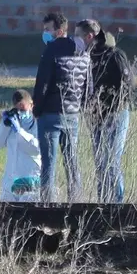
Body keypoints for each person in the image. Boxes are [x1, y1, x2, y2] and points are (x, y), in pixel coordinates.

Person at [33, 12, 91, 203]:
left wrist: (36, 110)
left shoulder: (51, 50)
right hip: (73, 114)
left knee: (48, 164)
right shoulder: (81, 50)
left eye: (47, 30)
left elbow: (42, 84)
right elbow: (86, 83)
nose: (45, 34)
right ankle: (76, 203)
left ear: (59, 31)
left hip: (50, 114)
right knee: (72, 163)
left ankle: (46, 207)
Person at [76, 19, 133, 203]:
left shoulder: (114, 56)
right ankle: (102, 204)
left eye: (78, 36)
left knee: (111, 162)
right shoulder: (88, 58)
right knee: (100, 164)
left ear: (89, 36)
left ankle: (116, 205)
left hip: (115, 115)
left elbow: (127, 87)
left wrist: (109, 107)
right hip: (96, 118)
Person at [0, 90, 42, 202]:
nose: (20, 112)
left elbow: (36, 149)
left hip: (30, 182)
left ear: (31, 105)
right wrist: (5, 126)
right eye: (17, 109)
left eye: (22, 108)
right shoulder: (12, 123)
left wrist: (19, 131)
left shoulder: (38, 124)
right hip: (10, 184)